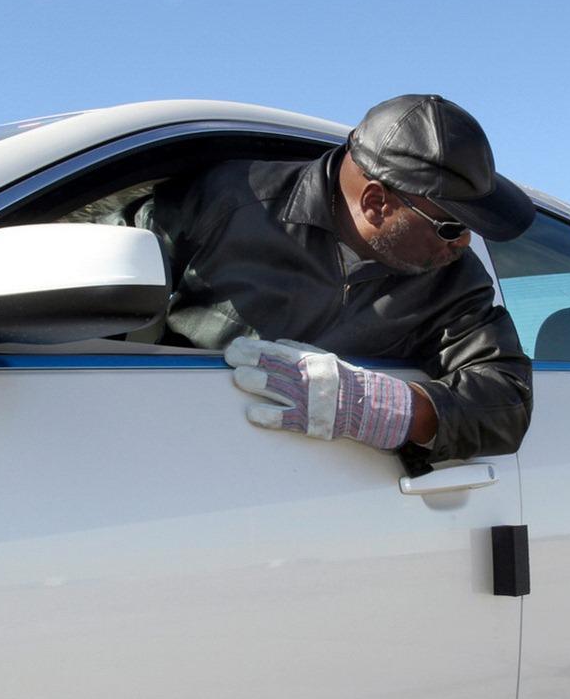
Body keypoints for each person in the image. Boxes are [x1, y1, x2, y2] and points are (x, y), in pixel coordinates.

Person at [145, 93, 535, 474]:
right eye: (452, 226)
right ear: (376, 203)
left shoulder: (455, 280)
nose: (465, 243)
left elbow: (506, 403)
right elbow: (101, 284)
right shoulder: (228, 202)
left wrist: (382, 408)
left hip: (329, 497)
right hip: (168, 457)